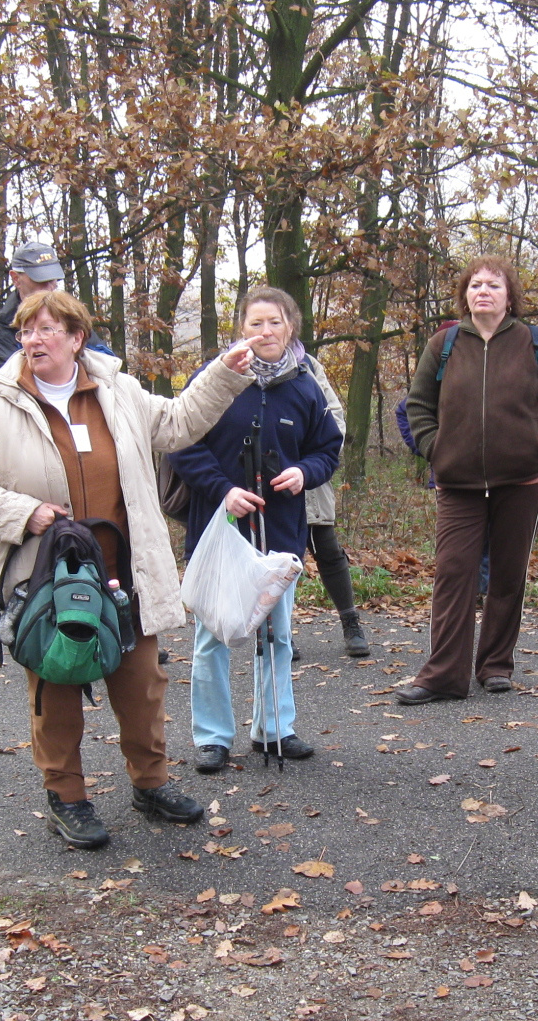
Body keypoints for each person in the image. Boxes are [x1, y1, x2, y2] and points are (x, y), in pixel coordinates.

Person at [0, 290, 250, 849]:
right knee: (55, 687)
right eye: (25, 332)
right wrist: (23, 512)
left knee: (142, 686)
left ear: (76, 338)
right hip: (47, 580)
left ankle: (150, 784)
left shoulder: (117, 390)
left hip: (125, 572)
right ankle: (67, 796)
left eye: (46, 330)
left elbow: (178, 423)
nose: (33, 340)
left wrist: (224, 374)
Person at [170, 286, 342, 772]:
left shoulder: (306, 385)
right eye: (254, 323)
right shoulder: (217, 378)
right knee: (212, 635)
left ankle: (274, 731)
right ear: (240, 330)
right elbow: (181, 442)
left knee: (277, 635)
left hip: (281, 533)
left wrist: (306, 472)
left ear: (291, 327)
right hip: (221, 528)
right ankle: (212, 738)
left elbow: (328, 449)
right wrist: (222, 488)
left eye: (275, 322)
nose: (265, 332)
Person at [395, 256, 538, 705]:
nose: (483, 292)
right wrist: (435, 447)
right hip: (458, 482)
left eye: (493, 286)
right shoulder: (444, 343)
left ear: (509, 296)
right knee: (454, 574)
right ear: (465, 296)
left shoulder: (534, 342)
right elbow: (418, 404)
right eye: (475, 285)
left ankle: (495, 666)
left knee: (508, 574)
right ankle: (443, 674)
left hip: (522, 479)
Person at [302, 366, 370, 660]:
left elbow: (335, 420)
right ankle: (276, 632)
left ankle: (350, 622)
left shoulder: (307, 366)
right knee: (271, 559)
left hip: (310, 476)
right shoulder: (242, 364)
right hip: (261, 479)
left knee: (327, 549)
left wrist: (311, 456)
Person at [0, 241, 113, 374]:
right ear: (16, 279)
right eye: (40, 280)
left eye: (52, 279)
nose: (50, 287)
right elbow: (6, 385)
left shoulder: (70, 316)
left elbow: (107, 364)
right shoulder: (1, 333)